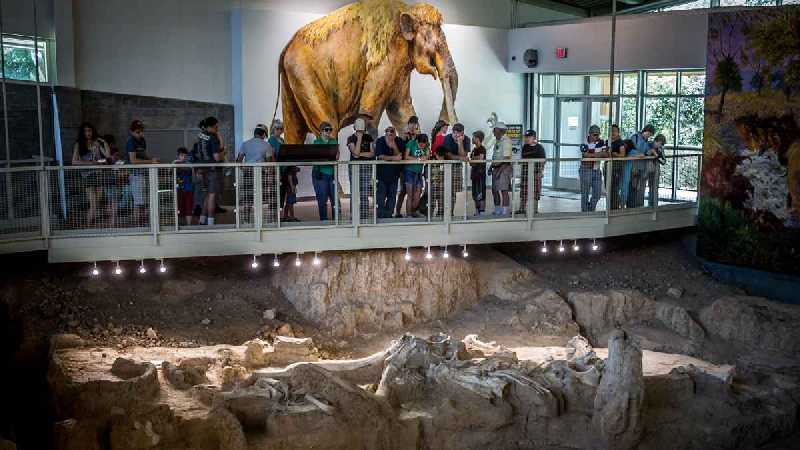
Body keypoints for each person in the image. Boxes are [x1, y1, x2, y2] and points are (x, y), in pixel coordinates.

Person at [71, 122, 110, 227]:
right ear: (82, 133)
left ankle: (90, 225)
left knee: (96, 203)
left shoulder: (96, 143)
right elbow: (74, 161)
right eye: (85, 131)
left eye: (90, 130)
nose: (88, 133)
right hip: (87, 175)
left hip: (98, 174)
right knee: (93, 203)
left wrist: (104, 143)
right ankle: (87, 226)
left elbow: (107, 155)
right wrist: (90, 163)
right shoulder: (79, 144)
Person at [190, 116, 225, 225]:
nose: (217, 128)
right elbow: (217, 157)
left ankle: (202, 219)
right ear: (212, 126)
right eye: (216, 126)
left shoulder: (200, 135)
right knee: (212, 195)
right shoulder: (212, 137)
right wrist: (223, 153)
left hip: (203, 169)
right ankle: (211, 222)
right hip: (212, 169)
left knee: (208, 194)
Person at [125, 120, 159, 225]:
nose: (140, 134)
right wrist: (150, 161)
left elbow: (144, 155)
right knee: (138, 202)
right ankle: (137, 225)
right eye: (137, 132)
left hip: (144, 173)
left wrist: (153, 160)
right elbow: (133, 160)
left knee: (144, 202)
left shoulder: (143, 140)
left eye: (141, 131)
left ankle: (144, 223)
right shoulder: (130, 141)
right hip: (135, 174)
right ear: (132, 131)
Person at [347, 118, 375, 219]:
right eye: (359, 130)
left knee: (364, 192)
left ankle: (364, 215)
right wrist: (359, 139)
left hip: (366, 168)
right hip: (354, 169)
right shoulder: (351, 138)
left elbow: (372, 153)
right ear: (355, 128)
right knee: (354, 192)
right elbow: (355, 155)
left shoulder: (369, 137)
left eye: (361, 130)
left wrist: (359, 154)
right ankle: (353, 215)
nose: (360, 132)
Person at [375, 126, 404, 218]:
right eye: (388, 131)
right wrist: (393, 158)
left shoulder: (398, 141)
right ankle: (380, 216)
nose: (390, 133)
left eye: (392, 131)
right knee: (380, 197)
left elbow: (399, 156)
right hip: (381, 175)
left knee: (392, 197)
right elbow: (380, 156)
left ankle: (388, 216)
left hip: (394, 175)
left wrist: (394, 146)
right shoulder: (380, 141)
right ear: (385, 132)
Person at [312, 121, 338, 221]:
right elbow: (316, 157)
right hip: (321, 174)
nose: (329, 132)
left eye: (330, 129)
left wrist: (326, 157)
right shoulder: (316, 142)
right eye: (326, 130)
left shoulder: (333, 141)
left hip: (331, 173)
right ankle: (324, 219)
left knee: (334, 199)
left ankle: (336, 219)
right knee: (322, 199)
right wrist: (327, 157)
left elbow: (336, 156)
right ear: (321, 131)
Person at [579, 124, 608, 212]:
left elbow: (606, 154)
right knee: (585, 193)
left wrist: (593, 155)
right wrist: (598, 155)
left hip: (596, 170)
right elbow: (585, 155)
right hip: (585, 170)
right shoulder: (584, 142)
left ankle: (591, 209)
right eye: (595, 135)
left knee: (597, 193)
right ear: (590, 134)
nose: (597, 137)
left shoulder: (601, 142)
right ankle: (584, 211)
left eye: (598, 134)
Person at [441, 123, 468, 216]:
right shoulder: (447, 138)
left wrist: (460, 143)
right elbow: (448, 155)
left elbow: (464, 155)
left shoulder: (466, 139)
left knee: (453, 191)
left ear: (462, 133)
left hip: (457, 168)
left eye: (458, 133)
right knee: (443, 191)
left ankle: (450, 212)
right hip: (446, 168)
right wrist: (460, 158)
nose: (455, 135)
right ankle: (442, 212)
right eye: (454, 133)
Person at [394, 116, 419, 218]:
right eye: (411, 124)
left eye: (415, 124)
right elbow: (401, 150)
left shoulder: (417, 137)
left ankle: (412, 211)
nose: (412, 126)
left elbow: (418, 148)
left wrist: (414, 137)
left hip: (414, 167)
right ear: (408, 124)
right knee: (403, 191)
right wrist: (405, 137)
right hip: (404, 168)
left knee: (413, 191)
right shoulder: (402, 138)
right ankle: (398, 212)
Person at [627, 124, 655, 208]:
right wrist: (640, 154)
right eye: (649, 134)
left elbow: (645, 152)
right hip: (633, 166)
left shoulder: (646, 141)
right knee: (632, 186)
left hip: (641, 166)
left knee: (638, 187)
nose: (649, 136)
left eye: (650, 135)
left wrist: (648, 152)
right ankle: (630, 205)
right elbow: (631, 150)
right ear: (645, 131)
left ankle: (636, 205)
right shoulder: (635, 137)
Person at [518, 130, 546, 214]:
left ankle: (535, 210)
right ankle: (522, 209)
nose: (527, 139)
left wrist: (540, 172)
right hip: (526, 173)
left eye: (529, 137)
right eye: (526, 137)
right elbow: (523, 159)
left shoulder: (539, 148)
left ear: (534, 138)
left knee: (536, 192)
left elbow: (543, 161)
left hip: (535, 173)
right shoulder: (525, 147)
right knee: (524, 191)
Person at [404, 133, 430, 218]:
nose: (422, 146)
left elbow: (427, 155)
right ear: (417, 141)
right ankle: (408, 215)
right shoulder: (411, 143)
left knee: (417, 196)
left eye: (424, 144)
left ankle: (413, 211)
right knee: (410, 195)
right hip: (409, 171)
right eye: (420, 144)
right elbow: (406, 156)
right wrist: (418, 159)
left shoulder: (426, 145)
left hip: (419, 172)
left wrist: (426, 156)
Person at [490, 122, 513, 215]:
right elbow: (495, 156)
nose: (493, 132)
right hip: (496, 168)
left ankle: (505, 211)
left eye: (494, 130)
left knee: (504, 190)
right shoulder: (497, 141)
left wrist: (499, 171)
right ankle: (497, 209)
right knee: (494, 190)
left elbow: (506, 158)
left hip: (504, 168)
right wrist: (491, 166)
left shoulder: (506, 141)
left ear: (500, 130)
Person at [101, 135, 125, 228]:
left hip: (115, 180)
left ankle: (113, 222)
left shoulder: (114, 151)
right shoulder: (103, 153)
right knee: (111, 202)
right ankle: (112, 222)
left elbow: (118, 162)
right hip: (108, 180)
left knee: (113, 201)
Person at [608, 124, 627, 210]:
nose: (612, 133)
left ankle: (615, 208)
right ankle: (610, 207)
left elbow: (622, 155)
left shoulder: (620, 142)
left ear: (618, 132)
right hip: (609, 168)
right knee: (609, 188)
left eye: (614, 131)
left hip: (617, 168)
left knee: (615, 188)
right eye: (611, 131)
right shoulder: (608, 142)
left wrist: (616, 155)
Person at [174, 147, 194, 226]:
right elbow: (169, 172)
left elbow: (193, 175)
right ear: (178, 155)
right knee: (179, 206)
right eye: (182, 155)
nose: (183, 157)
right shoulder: (175, 163)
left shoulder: (189, 164)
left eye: (185, 156)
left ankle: (189, 225)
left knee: (189, 207)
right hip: (178, 189)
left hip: (188, 189)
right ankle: (178, 224)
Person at [470, 131, 487, 216]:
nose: (472, 139)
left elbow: (481, 158)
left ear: (477, 138)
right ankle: (477, 210)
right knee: (475, 193)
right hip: (474, 174)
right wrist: (473, 159)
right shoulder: (474, 150)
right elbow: (471, 162)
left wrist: (473, 158)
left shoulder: (482, 149)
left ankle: (482, 210)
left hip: (480, 174)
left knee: (481, 193)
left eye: (473, 137)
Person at [429, 147, 447, 218]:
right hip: (433, 184)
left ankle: (440, 213)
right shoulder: (431, 160)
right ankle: (430, 214)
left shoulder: (445, 161)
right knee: (432, 200)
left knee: (441, 199)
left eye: (442, 157)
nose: (440, 159)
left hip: (441, 184)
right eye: (439, 156)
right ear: (435, 154)